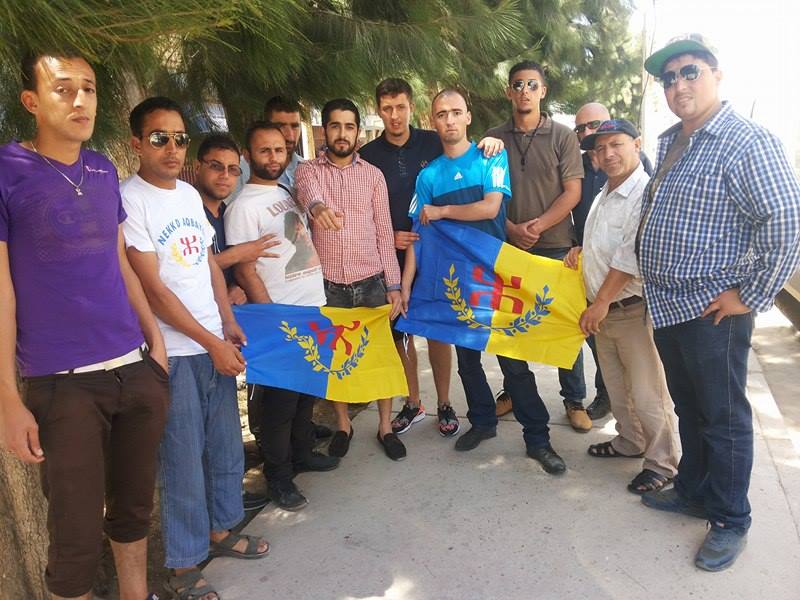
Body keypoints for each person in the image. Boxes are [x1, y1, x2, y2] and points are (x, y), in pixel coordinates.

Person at [0, 51, 168, 600]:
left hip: (133, 370)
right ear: (31, 101)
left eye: (90, 89)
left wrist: (156, 344)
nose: (80, 101)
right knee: (72, 537)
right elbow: (1, 292)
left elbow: (118, 261)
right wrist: (8, 399)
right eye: (64, 89)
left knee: (133, 511)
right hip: (62, 383)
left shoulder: (100, 169)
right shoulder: (7, 170)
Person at [638, 34, 800, 571]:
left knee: (724, 417)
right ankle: (694, 490)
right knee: (691, 409)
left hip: (713, 310)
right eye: (669, 78)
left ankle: (730, 518)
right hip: (668, 306)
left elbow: (784, 222)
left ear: (716, 75)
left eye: (690, 72)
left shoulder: (745, 140)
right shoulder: (673, 141)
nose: (679, 84)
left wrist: (749, 295)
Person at [122, 96, 269, 600]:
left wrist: (225, 323)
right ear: (136, 143)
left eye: (180, 138)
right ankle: (183, 564)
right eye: (159, 138)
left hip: (212, 341)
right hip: (176, 351)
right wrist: (208, 341)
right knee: (182, 458)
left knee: (224, 444)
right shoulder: (130, 200)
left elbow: (206, 262)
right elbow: (153, 289)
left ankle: (222, 529)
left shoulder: (187, 195)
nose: (171, 148)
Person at [401, 89, 567, 475]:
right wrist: (407, 284)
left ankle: (538, 438)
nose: (449, 120)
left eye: (456, 112)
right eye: (441, 114)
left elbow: (491, 207)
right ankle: (483, 422)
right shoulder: (428, 176)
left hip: (496, 280)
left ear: (468, 117)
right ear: (433, 120)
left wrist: (442, 210)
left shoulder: (491, 157)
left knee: (514, 363)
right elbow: (417, 235)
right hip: (455, 284)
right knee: (468, 361)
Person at [225, 122, 340, 511]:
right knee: (278, 406)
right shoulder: (242, 207)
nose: (274, 158)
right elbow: (244, 270)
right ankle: (279, 477)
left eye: (279, 150)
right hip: (279, 317)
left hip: (310, 307)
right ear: (248, 155)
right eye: (264, 151)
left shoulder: (287, 192)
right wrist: (274, 319)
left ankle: (303, 454)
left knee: (304, 394)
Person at [564, 119, 678, 494]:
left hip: (630, 310)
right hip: (604, 313)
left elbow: (629, 258)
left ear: (636, 144)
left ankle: (663, 462)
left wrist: (598, 303)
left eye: (617, 144)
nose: (608, 154)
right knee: (617, 388)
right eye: (600, 149)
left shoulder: (644, 194)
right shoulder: (604, 193)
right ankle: (629, 441)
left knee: (648, 394)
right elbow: (604, 244)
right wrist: (583, 251)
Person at [295, 98, 406, 461]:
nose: (342, 134)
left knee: (380, 357)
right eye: (335, 126)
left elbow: (383, 234)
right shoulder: (309, 170)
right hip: (328, 285)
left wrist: (394, 286)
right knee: (335, 359)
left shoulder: (373, 176)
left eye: (349, 126)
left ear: (358, 132)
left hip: (371, 281)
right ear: (324, 130)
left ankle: (386, 427)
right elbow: (308, 196)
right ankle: (344, 425)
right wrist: (319, 208)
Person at [486, 61, 591, 433]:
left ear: (543, 91)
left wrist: (538, 226)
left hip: (556, 246)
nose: (525, 90)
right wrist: (511, 228)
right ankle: (513, 390)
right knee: (508, 323)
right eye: (518, 84)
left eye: (532, 84)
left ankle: (574, 399)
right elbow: (487, 193)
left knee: (564, 325)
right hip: (509, 245)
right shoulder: (494, 137)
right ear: (508, 92)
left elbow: (573, 192)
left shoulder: (562, 136)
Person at [237, 96, 305, 195]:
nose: (290, 136)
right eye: (280, 126)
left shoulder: (306, 167)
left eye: (295, 126)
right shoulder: (238, 169)